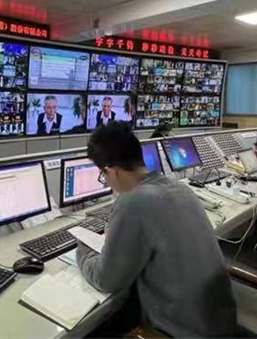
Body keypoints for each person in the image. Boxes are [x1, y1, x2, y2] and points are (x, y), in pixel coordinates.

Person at [76, 122, 237, 338]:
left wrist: (83, 247)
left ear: (111, 171)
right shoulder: (181, 189)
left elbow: (106, 280)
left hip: (180, 333)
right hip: (220, 324)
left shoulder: (132, 203)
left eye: (102, 177)